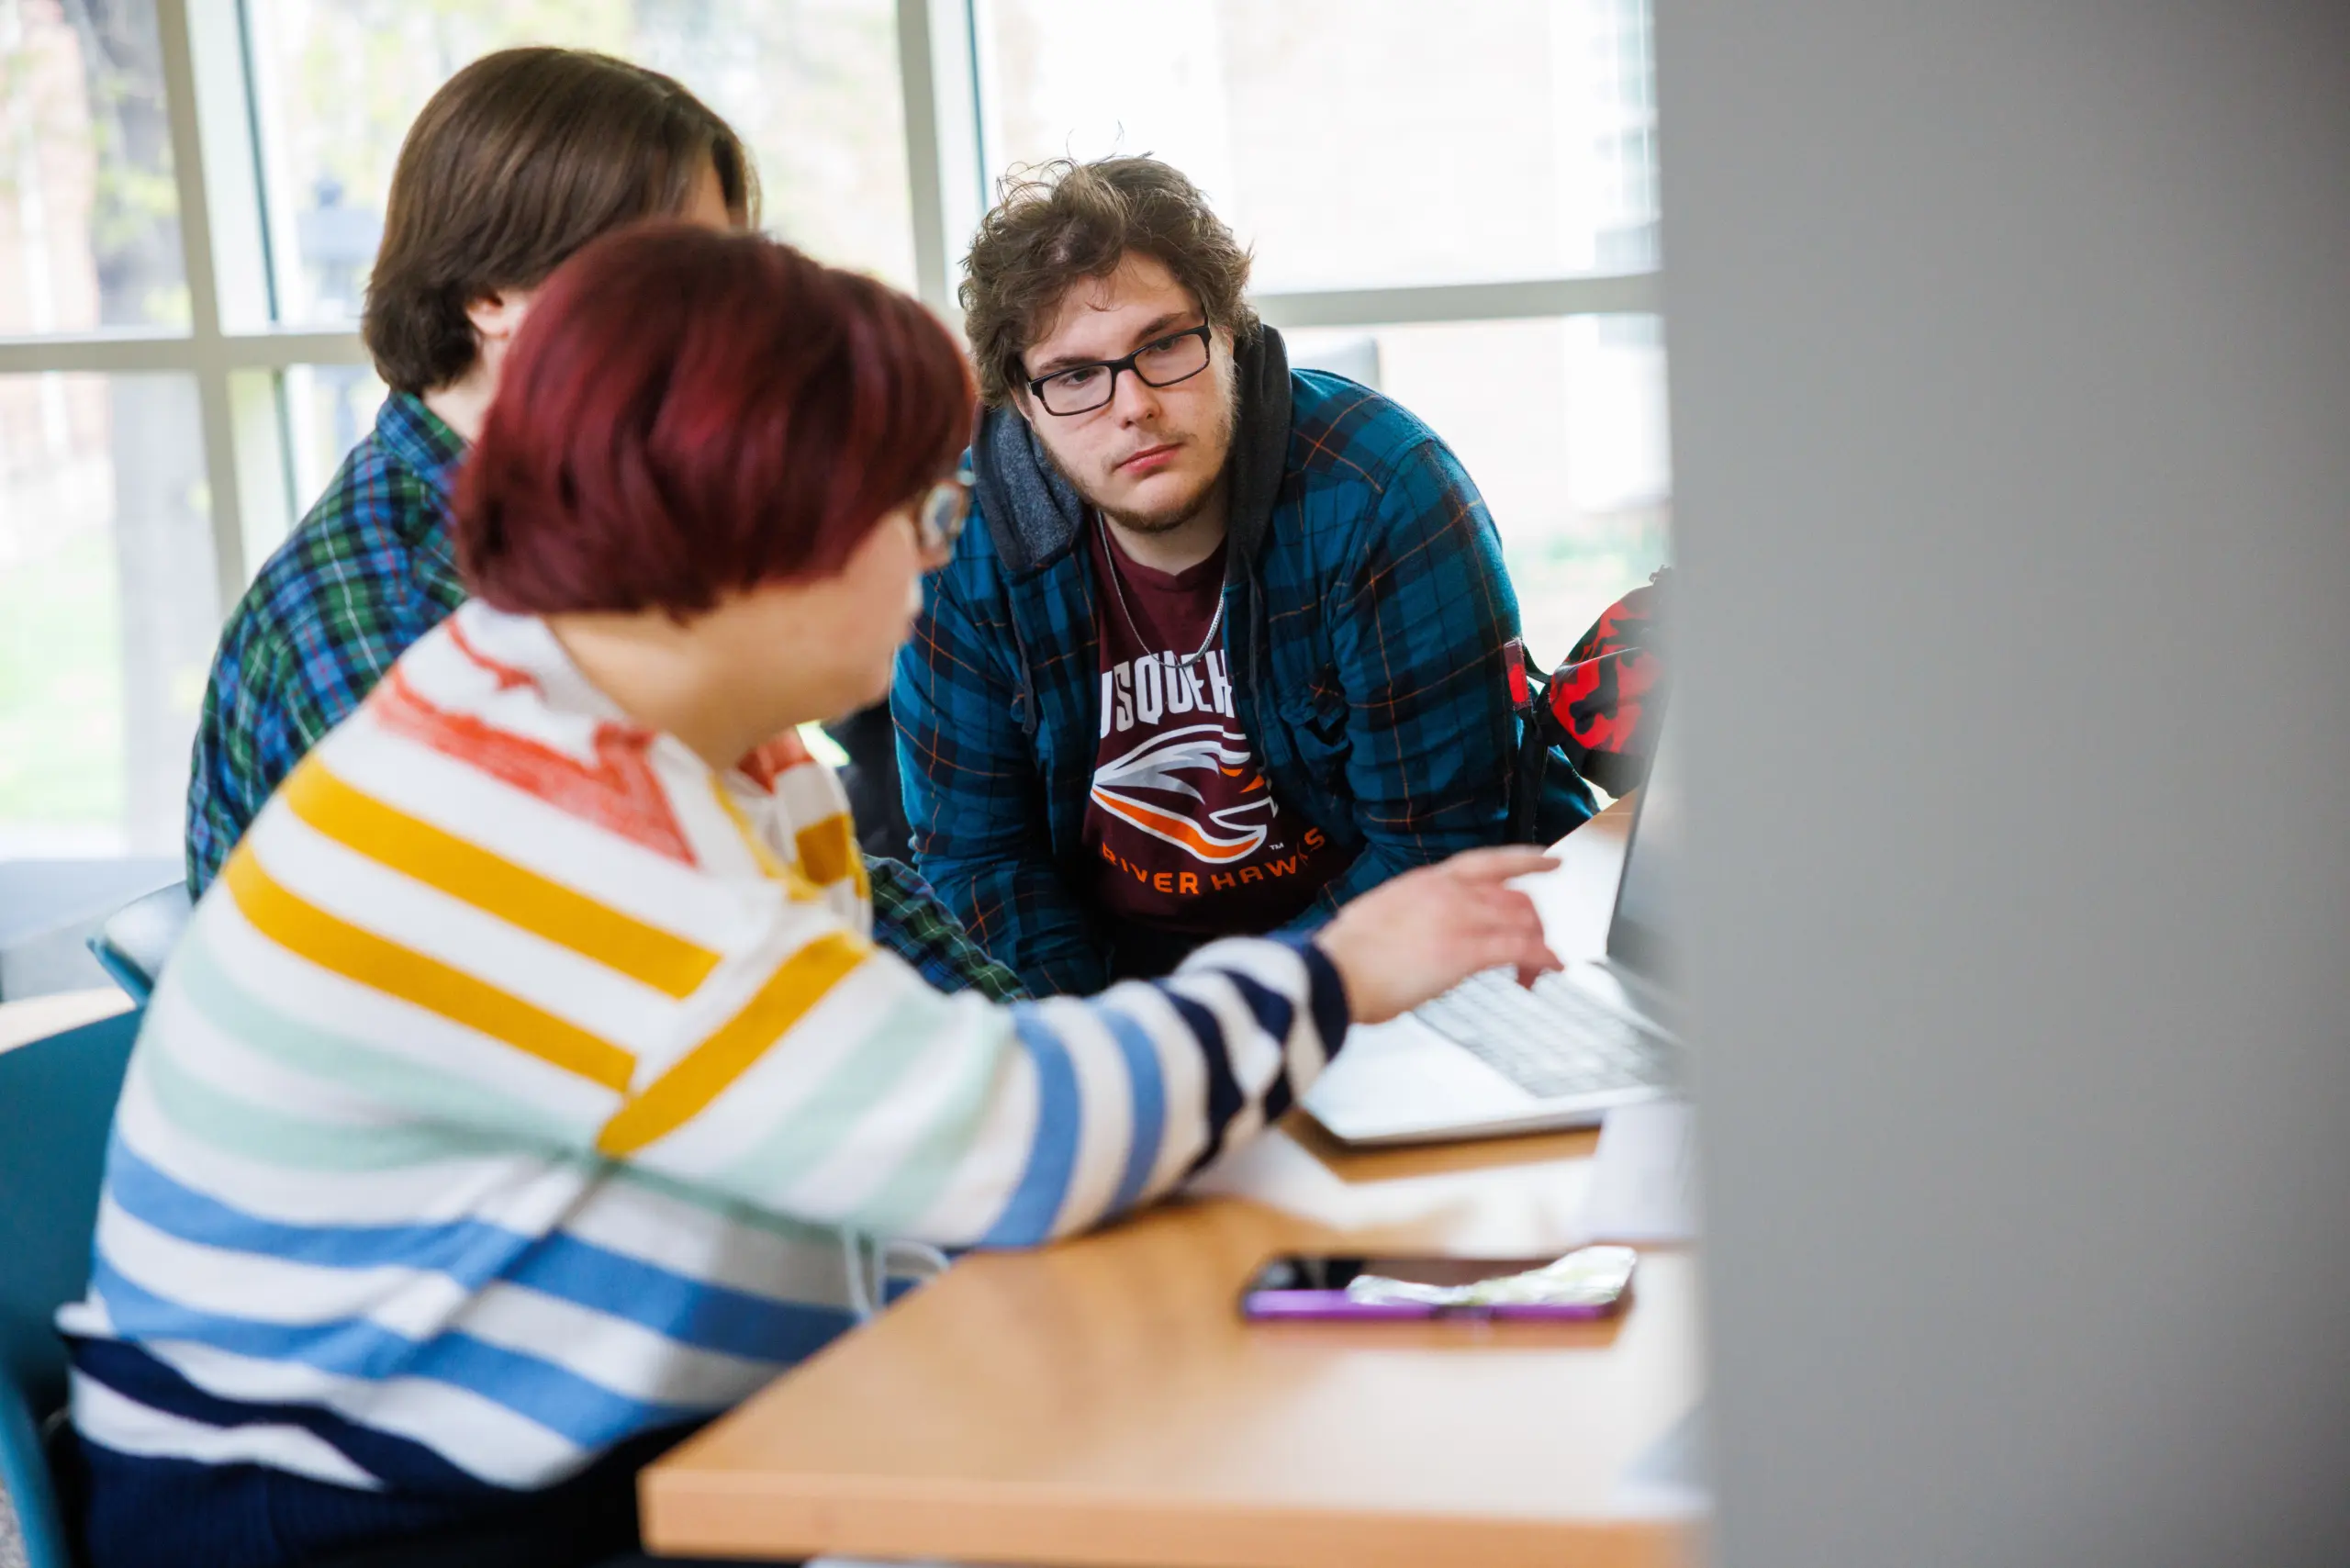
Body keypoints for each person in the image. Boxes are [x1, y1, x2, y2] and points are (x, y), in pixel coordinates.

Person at [59, 224, 1561, 1568]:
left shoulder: (681, 731)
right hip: (356, 1510)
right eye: (916, 513)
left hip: (543, 1424)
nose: (936, 559)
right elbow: (1003, 1139)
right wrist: (1346, 968)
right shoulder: (535, 819)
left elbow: (883, 1115)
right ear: (756, 538)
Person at [182, 45, 1020, 1001]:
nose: (727, 329)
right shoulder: (399, 621)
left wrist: (1011, 1033)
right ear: (489, 294)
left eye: (724, 278)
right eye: (668, 278)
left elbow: (798, 867)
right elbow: (598, 999)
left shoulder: (612, 518)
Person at [893, 155, 1598, 996]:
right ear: (1022, 399)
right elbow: (980, 863)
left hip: (1387, 987)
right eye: (1076, 375)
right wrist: (1112, 1051)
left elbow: (1434, 856)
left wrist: (1228, 1025)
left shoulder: (1384, 491)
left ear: (1229, 334)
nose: (1133, 405)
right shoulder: (961, 541)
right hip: (1115, 1005)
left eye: (1163, 346)